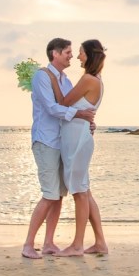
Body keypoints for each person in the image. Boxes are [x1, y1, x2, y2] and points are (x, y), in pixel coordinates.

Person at [21, 38, 96, 260]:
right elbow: (52, 108)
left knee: (59, 196)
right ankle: (27, 244)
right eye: (67, 52)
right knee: (49, 195)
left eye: (72, 52)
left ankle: (48, 243)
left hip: (63, 141)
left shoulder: (66, 80)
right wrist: (79, 114)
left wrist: (87, 121)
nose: (71, 56)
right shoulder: (42, 76)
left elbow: (73, 106)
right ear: (55, 53)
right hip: (46, 141)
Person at [54, 39, 109, 257]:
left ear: (89, 55)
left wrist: (49, 79)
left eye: (81, 53)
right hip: (79, 136)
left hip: (77, 140)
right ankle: (100, 243)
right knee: (84, 190)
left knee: (79, 192)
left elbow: (64, 102)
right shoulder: (96, 79)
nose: (78, 57)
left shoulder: (88, 79)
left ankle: (77, 245)